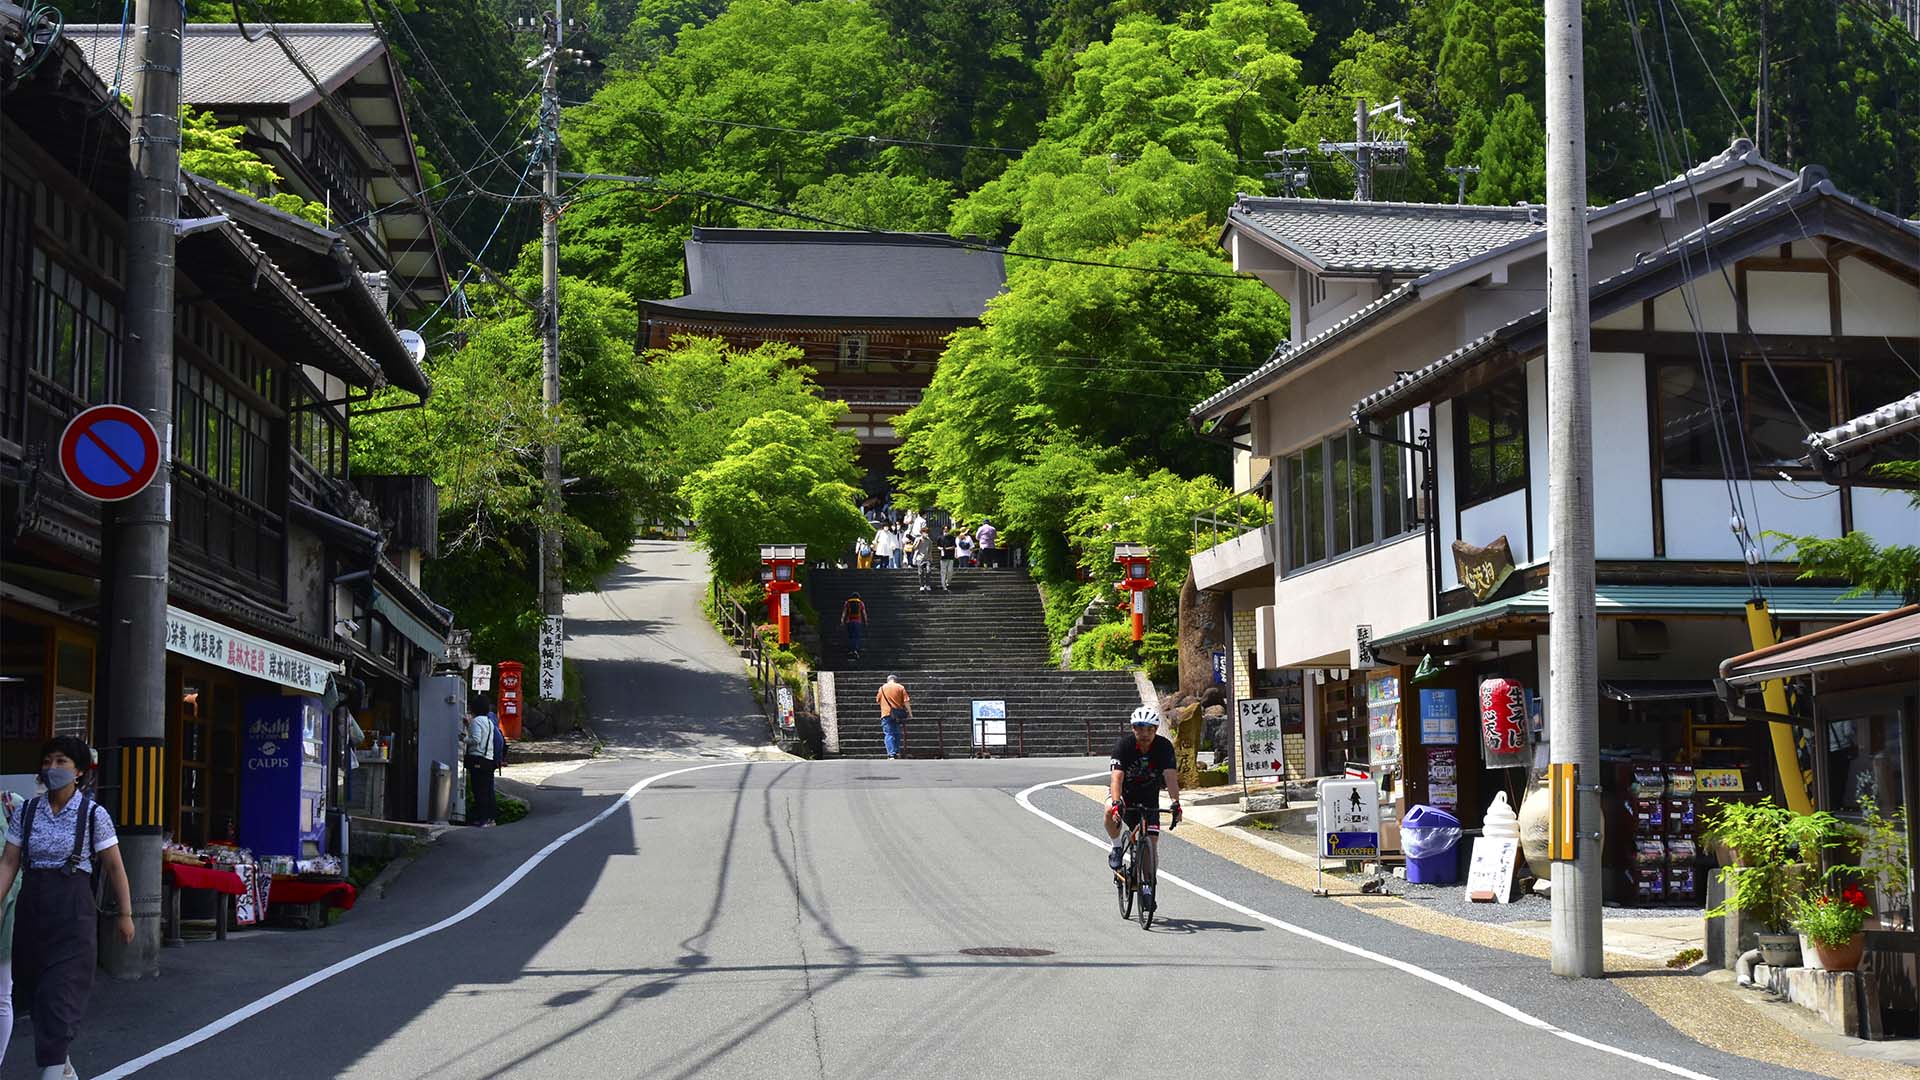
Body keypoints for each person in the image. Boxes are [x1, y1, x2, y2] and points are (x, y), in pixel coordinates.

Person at [0, 737, 134, 1080]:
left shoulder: (93, 815)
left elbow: (116, 867)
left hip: (73, 917)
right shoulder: (27, 811)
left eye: (62, 761)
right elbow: (9, 863)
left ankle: (55, 1068)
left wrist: (126, 914)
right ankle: (62, 1068)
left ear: (79, 771)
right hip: (32, 916)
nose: (53, 768)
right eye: (48, 761)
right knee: (38, 996)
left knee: (61, 997)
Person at [1105, 707, 1182, 907]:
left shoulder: (1164, 747)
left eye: (1149, 729)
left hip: (1149, 798)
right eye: (1140, 728)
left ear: (1156, 729)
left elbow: (1171, 777)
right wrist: (1116, 803)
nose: (1145, 733)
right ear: (1133, 728)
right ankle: (1116, 847)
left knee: (1151, 845)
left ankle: (1148, 884)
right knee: (1107, 809)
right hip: (1125, 794)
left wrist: (1175, 802)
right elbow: (1116, 779)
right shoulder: (1124, 746)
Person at [464, 701, 499, 827]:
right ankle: (491, 819)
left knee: (479, 791)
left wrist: (463, 738)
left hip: (478, 759)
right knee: (489, 790)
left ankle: (482, 819)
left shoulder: (476, 721)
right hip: (489, 759)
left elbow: (476, 740)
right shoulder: (489, 721)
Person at [876, 675, 911, 760]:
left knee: (889, 733)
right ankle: (896, 751)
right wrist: (910, 713)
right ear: (896, 680)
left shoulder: (882, 688)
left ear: (888, 680)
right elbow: (906, 701)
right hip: (897, 714)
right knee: (897, 733)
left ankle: (891, 754)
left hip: (886, 713)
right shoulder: (900, 687)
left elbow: (878, 700)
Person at [841, 592, 868, 659]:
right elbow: (864, 613)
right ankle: (855, 650)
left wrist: (842, 620)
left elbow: (844, 612)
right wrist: (866, 621)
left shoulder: (847, 603)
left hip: (849, 621)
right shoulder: (861, 603)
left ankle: (850, 650)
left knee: (850, 636)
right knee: (856, 636)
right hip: (858, 622)